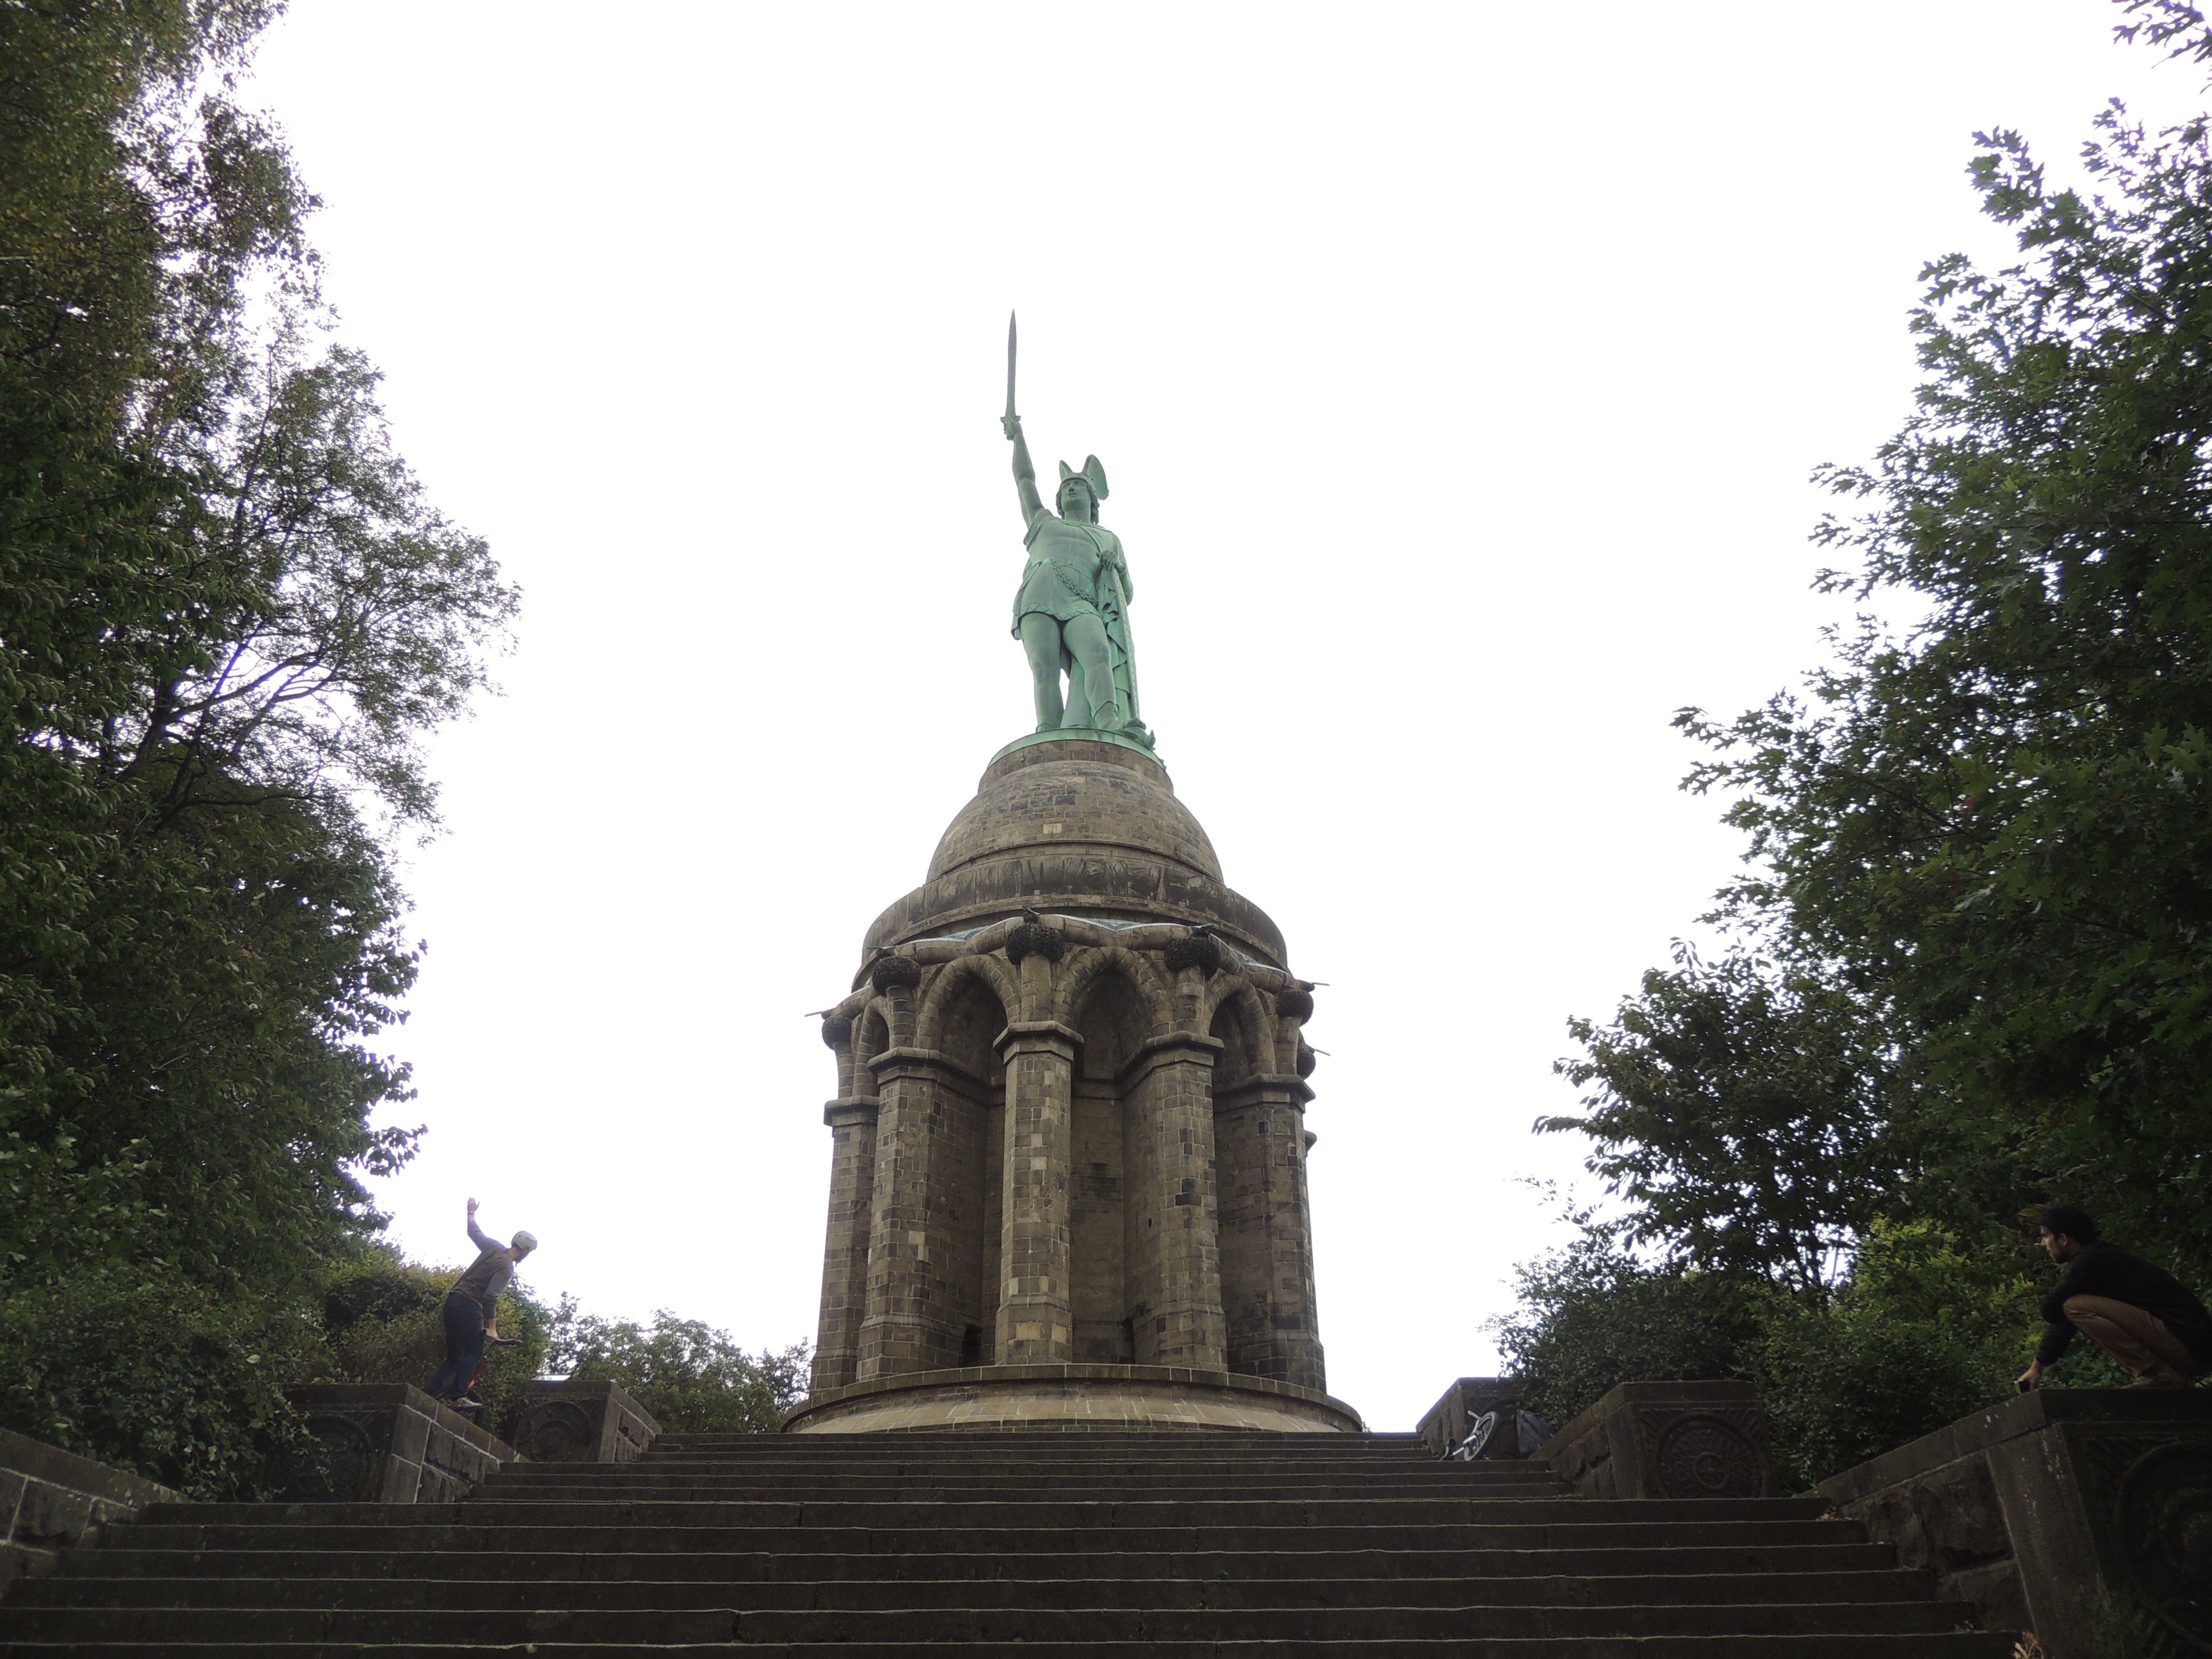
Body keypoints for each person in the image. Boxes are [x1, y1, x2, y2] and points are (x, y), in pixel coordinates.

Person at [2017, 1204, 2211, 1392]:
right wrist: (2037, 1368)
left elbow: (2051, 1310)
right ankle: (2158, 1373)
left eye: (2045, 1236)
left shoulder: (2093, 1262)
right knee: (2074, 1305)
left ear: (2063, 1239)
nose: (2043, 1244)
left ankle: (2157, 1374)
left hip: (2190, 1346)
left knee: (2075, 1306)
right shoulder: (2099, 1259)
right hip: (2192, 1348)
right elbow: (2061, 1319)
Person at [426, 1196, 538, 1410]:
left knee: (455, 1357)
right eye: (529, 1252)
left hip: (453, 1302)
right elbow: (490, 1297)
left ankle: (429, 1397)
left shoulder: (494, 1248)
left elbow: (474, 1232)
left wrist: (471, 1212)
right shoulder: (507, 1267)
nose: (527, 1256)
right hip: (469, 1305)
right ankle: (457, 1397)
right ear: (524, 1249)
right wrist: (492, 1328)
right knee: (475, 1351)